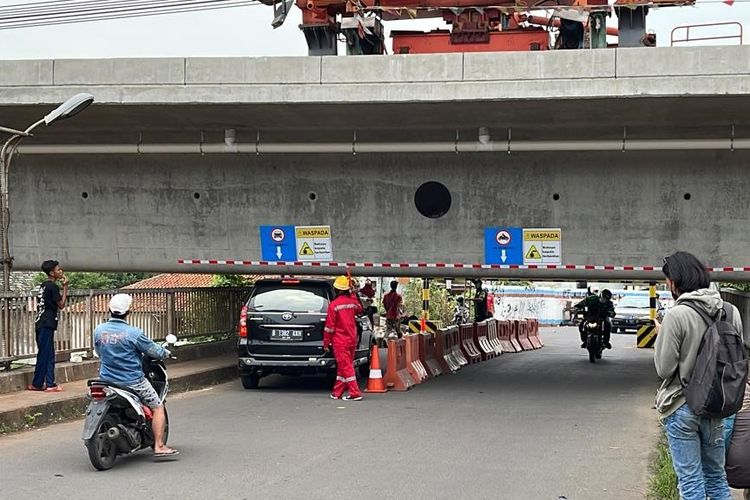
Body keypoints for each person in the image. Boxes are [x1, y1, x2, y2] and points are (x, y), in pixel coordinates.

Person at [654, 251, 747, 500]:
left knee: (691, 481)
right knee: (717, 478)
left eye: (667, 281)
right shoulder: (730, 311)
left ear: (675, 281)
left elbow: (664, 369)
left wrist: (661, 335)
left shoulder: (677, 315)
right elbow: (736, 358)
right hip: (717, 405)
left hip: (682, 405)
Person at [94, 293, 178, 457]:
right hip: (132, 381)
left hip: (106, 381)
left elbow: (99, 352)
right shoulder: (134, 333)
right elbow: (154, 351)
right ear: (129, 312)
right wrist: (166, 352)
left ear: (109, 310)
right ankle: (159, 445)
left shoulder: (99, 330)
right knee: (158, 406)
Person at [28, 260, 68, 392]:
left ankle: (44, 383)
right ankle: (44, 384)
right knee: (46, 354)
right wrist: (65, 287)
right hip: (47, 322)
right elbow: (61, 305)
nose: (60, 271)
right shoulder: (53, 286)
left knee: (47, 353)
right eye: (58, 270)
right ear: (52, 273)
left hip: (40, 322)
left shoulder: (43, 285)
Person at [324, 276, 364, 401]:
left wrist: (326, 342)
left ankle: (355, 393)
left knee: (346, 367)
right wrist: (352, 294)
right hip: (352, 340)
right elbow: (360, 309)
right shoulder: (352, 303)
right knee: (343, 367)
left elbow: (329, 327)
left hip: (340, 341)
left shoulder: (334, 305)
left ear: (337, 289)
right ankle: (337, 393)